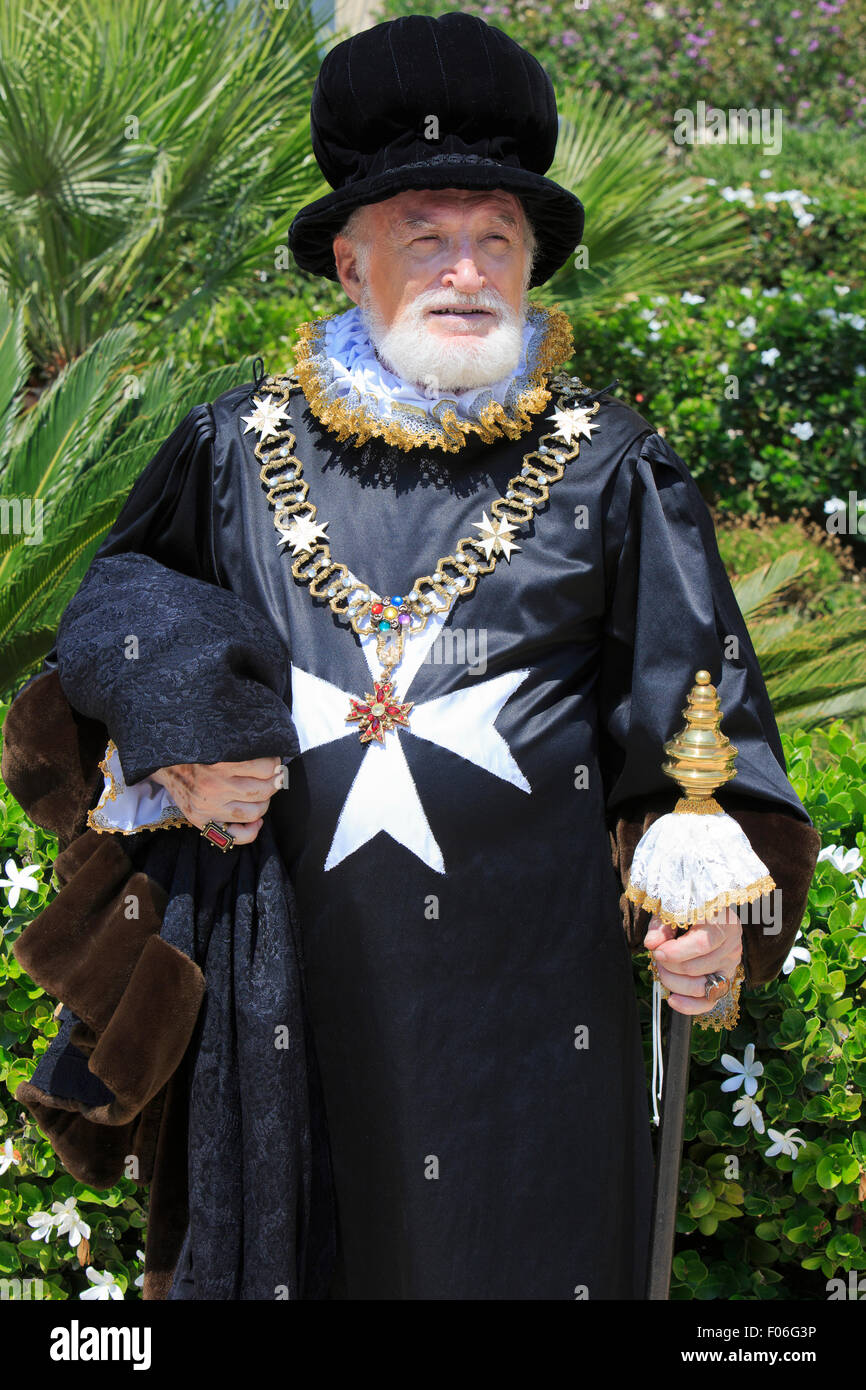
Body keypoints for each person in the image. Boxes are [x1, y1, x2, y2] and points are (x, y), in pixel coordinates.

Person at [1, 12, 820, 1300]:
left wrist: (718, 914)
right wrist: (178, 748)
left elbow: (702, 732)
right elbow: (105, 634)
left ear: (533, 263)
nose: (466, 271)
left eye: (497, 239)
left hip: (537, 1034)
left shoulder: (616, 469)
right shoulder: (230, 451)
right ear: (347, 261)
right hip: (287, 1019)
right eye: (425, 237)